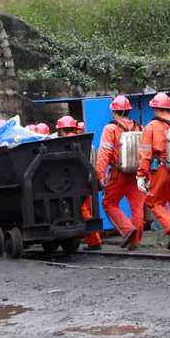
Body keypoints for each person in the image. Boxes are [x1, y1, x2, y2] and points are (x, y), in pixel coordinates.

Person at [139, 92, 170, 251]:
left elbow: (145, 154)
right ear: (169, 108)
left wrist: (141, 175)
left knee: (153, 201)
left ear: (155, 109)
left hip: (163, 169)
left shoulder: (152, 127)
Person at [96, 95, 147, 248]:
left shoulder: (110, 128)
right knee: (137, 207)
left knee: (109, 202)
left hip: (119, 173)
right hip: (137, 173)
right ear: (128, 111)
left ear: (114, 112)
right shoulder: (139, 127)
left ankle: (127, 229)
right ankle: (136, 241)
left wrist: (100, 174)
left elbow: (104, 152)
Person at [56, 113, 105, 251]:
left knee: (81, 210)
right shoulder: (83, 142)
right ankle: (93, 239)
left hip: (71, 184)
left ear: (62, 130)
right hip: (85, 181)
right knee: (83, 208)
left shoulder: (62, 144)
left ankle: (94, 241)